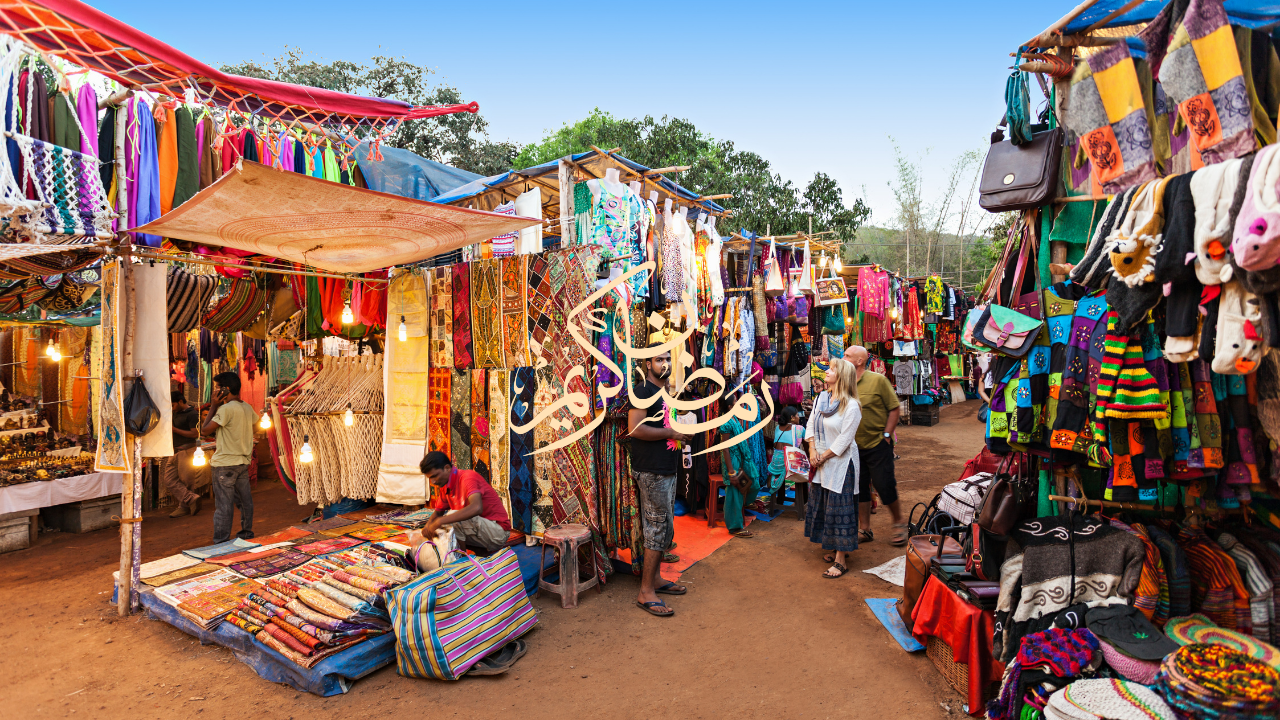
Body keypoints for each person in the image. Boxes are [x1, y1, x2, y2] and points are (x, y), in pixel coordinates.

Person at [627, 345, 690, 617]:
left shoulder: (663, 392)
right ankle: (645, 592)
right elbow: (635, 428)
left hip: (665, 468)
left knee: (664, 528)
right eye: (659, 359)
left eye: (667, 359)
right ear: (648, 363)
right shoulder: (642, 391)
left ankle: (656, 580)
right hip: (651, 470)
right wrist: (672, 432)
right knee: (655, 529)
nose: (664, 363)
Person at [803, 358, 863, 578]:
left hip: (841, 463)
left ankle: (841, 560)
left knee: (840, 509)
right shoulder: (821, 398)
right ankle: (833, 547)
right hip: (821, 459)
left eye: (831, 370)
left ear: (842, 376)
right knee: (826, 504)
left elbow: (845, 439)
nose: (826, 372)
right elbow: (810, 424)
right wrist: (812, 451)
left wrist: (822, 457)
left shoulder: (852, 405)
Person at [844, 346, 906, 546]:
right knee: (859, 487)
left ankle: (898, 522)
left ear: (859, 361)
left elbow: (894, 408)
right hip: (853, 446)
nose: (842, 358)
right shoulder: (844, 383)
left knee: (884, 484)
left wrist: (887, 435)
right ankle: (865, 528)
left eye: (847, 356)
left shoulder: (878, 380)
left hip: (877, 443)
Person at [200, 372, 258, 543]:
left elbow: (204, 431)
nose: (215, 390)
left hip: (224, 464)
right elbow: (256, 426)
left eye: (217, 387)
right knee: (245, 501)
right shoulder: (246, 407)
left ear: (226, 389)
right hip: (242, 462)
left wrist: (213, 406)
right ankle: (246, 534)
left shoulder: (225, 409)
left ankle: (221, 541)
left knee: (224, 506)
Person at [416, 451, 511, 554]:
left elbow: (476, 508)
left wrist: (440, 521)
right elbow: (438, 513)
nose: (433, 481)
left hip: (498, 532)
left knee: (451, 517)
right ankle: (467, 555)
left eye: (435, 476)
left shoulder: (468, 477)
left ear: (447, 468)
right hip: (482, 531)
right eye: (430, 478)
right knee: (441, 529)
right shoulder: (445, 486)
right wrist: (428, 528)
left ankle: (461, 560)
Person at [719, 396, 761, 539]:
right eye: (735, 402)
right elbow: (725, 448)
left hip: (741, 460)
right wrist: (731, 472)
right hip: (732, 463)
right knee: (734, 493)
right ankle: (735, 527)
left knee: (754, 484)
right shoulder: (726, 422)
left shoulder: (735, 419)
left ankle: (746, 503)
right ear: (730, 406)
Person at [164, 391, 207, 518]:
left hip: (187, 450)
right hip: (174, 450)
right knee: (169, 479)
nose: (172, 408)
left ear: (181, 402)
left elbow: (195, 434)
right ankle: (191, 499)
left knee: (186, 480)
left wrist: (174, 429)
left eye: (173, 405)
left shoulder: (193, 414)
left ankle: (184, 507)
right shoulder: (174, 413)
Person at [766, 405, 805, 505]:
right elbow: (806, 446)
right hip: (789, 466)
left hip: (776, 464)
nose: (799, 417)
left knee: (783, 460)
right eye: (797, 415)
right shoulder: (799, 429)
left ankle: (780, 500)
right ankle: (803, 501)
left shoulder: (777, 428)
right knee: (804, 473)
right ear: (792, 417)